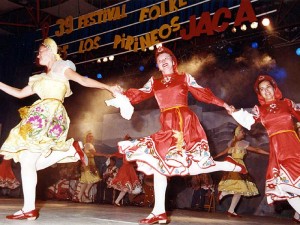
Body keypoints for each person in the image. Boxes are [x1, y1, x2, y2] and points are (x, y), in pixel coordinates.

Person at [114, 45, 246, 224]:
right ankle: (158, 211)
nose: (163, 61)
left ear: (173, 61)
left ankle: (227, 165)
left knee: (194, 166)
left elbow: (203, 93)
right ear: (158, 66)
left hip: (184, 123)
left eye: (166, 58)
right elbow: (139, 94)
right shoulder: (154, 82)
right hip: (167, 125)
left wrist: (223, 104)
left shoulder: (185, 77)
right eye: (159, 61)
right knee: (159, 165)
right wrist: (122, 94)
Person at [0, 37, 121, 220]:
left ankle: (29, 208)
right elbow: (19, 93)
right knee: (27, 161)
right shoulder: (39, 78)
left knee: (28, 159)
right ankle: (29, 208)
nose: (38, 55)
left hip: (51, 114)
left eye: (40, 51)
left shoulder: (61, 67)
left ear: (50, 50)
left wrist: (108, 87)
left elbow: (83, 81)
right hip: (38, 115)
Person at [232, 75, 300, 222]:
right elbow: (248, 120)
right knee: (284, 186)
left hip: (294, 146)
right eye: (262, 89)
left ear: (274, 88)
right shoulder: (260, 110)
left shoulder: (287, 103)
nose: (266, 91)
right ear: (260, 94)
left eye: (268, 87)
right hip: (278, 150)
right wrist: (234, 112)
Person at [214, 125, 269, 217]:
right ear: (238, 133)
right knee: (241, 188)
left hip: (232, 165)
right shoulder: (241, 143)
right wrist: (269, 153)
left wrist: (213, 158)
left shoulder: (231, 143)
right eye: (242, 132)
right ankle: (223, 193)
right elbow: (256, 149)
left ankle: (231, 210)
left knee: (239, 190)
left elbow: (224, 152)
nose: (244, 134)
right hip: (238, 166)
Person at [109, 135, 142, 207]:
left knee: (126, 189)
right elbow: (118, 154)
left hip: (129, 169)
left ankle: (117, 201)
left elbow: (133, 159)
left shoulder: (131, 151)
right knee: (126, 187)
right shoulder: (125, 151)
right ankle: (117, 201)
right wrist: (110, 155)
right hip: (125, 170)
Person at [77, 131, 103, 203]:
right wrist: (105, 155)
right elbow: (94, 153)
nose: (91, 137)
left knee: (85, 182)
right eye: (89, 136)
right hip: (89, 164)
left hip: (86, 163)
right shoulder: (88, 144)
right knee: (95, 178)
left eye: (92, 136)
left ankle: (79, 197)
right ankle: (86, 190)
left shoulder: (85, 145)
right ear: (86, 137)